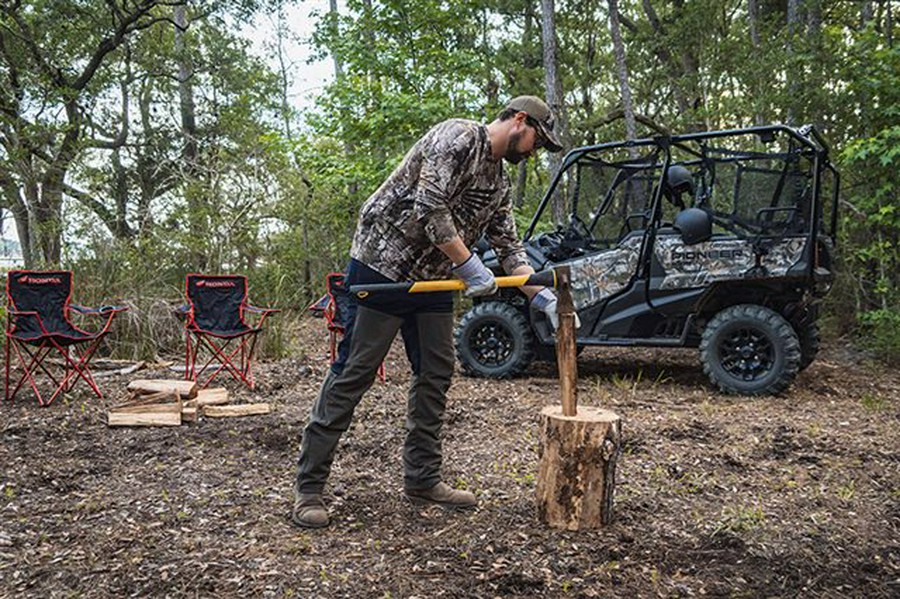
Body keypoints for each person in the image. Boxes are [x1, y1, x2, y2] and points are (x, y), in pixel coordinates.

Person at [292, 96, 565, 528]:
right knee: (355, 371)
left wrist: (540, 294)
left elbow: (509, 246)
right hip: (384, 267)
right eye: (537, 139)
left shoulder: (498, 183)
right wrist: (470, 265)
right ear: (519, 121)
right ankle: (309, 487)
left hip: (435, 277)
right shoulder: (457, 136)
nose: (534, 151)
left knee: (437, 371)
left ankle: (422, 478)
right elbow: (430, 207)